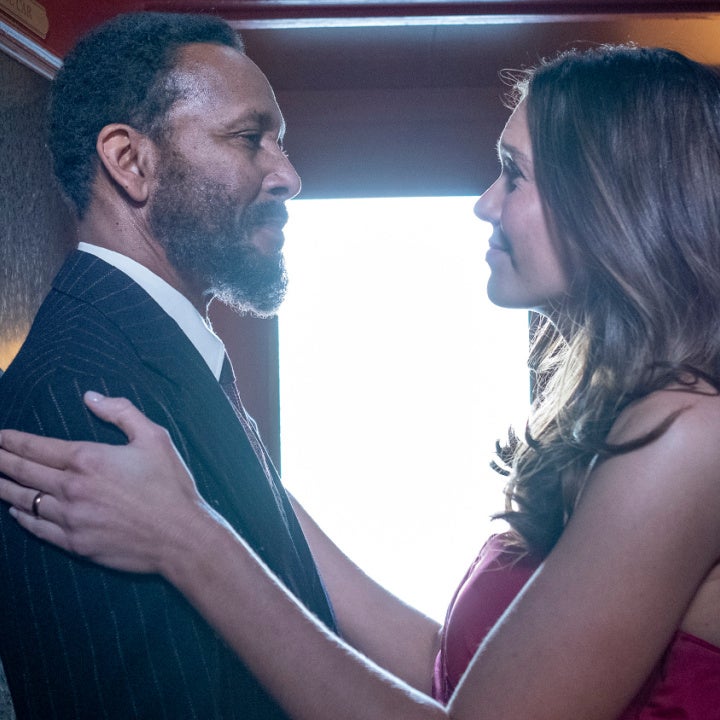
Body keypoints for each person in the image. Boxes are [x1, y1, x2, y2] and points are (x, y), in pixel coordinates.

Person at [3, 43, 720, 720]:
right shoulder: (633, 422)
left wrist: (191, 540)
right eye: (250, 138)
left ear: (615, 199)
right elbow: (448, 671)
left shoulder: (685, 437)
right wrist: (224, 459)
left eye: (514, 173)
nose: (485, 203)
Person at [0, 11, 338, 719]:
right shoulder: (81, 398)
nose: (289, 176)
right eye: (249, 138)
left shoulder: (170, 366)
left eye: (280, 142)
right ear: (130, 161)